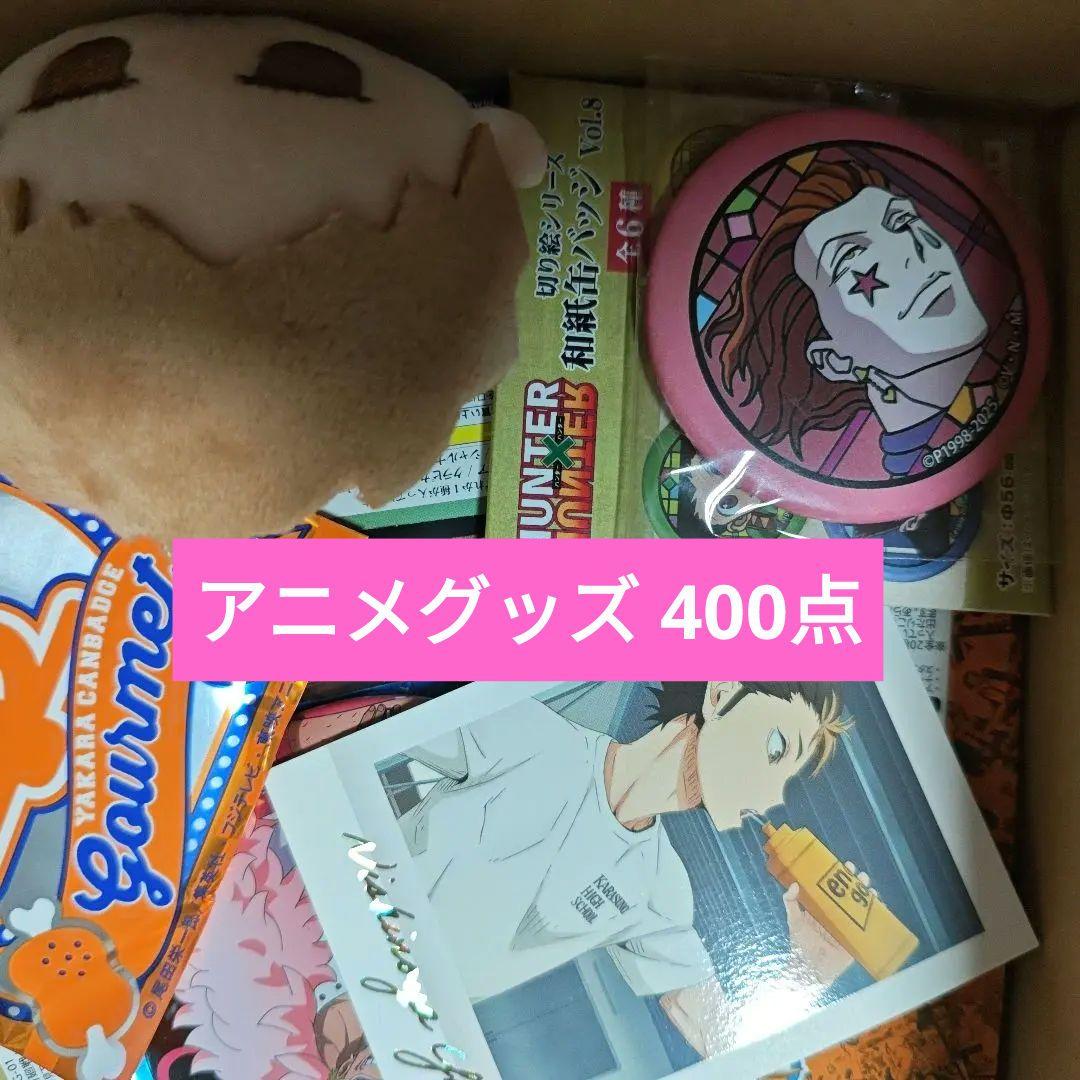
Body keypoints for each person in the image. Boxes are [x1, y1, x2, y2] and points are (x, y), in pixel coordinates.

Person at [397, 682, 860, 1059]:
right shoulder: (532, 734)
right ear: (721, 693)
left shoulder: (659, 888)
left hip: (400, 1021)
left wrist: (808, 975)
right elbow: (378, 712)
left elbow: (721, 1038)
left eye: (786, 779)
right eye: (776, 746)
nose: (772, 795)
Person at [704, 161, 990, 476]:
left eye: (902, 221)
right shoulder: (911, 469)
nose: (911, 254)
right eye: (851, 257)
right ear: (833, 359)